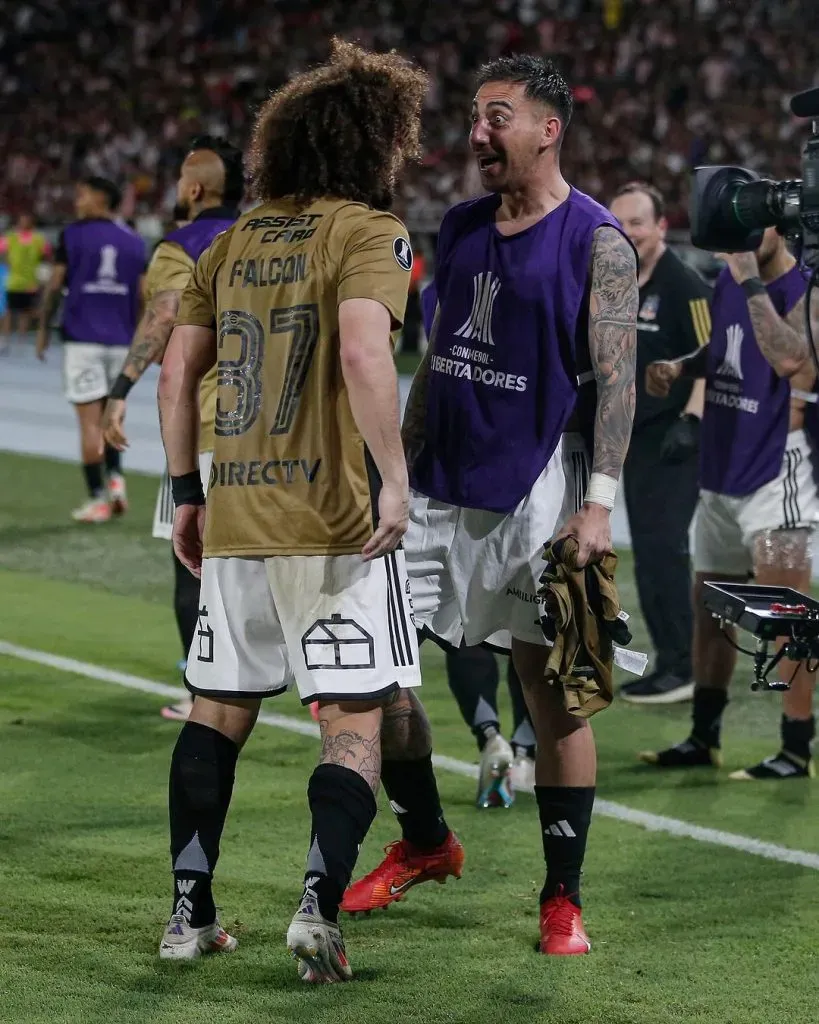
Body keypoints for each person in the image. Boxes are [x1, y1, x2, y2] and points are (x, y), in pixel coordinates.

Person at [156, 39, 461, 982]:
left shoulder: (231, 240)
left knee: (215, 713)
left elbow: (176, 373)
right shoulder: (370, 233)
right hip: (334, 523)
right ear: (373, 145)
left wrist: (186, 494)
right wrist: (395, 482)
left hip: (237, 511)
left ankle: (188, 914)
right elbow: (365, 355)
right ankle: (317, 907)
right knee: (354, 723)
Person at [343, 55, 638, 954]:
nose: (476, 133)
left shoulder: (596, 240)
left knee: (552, 698)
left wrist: (597, 506)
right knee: (375, 675)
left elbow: (617, 385)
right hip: (436, 484)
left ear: (549, 129)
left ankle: (561, 898)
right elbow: (435, 359)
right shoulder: (460, 223)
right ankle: (427, 841)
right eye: (474, 116)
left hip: (538, 489)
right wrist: (391, 472)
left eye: (496, 117)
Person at [640, 227, 819, 779]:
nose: (743, 236)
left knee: (787, 617)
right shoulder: (729, 281)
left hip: (776, 467)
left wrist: (748, 280)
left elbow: (792, 358)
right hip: (722, 464)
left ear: (780, 222)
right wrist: (682, 366)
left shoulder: (806, 287)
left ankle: (795, 749)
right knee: (712, 609)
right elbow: (724, 346)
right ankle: (704, 737)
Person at [102, 136, 244, 721]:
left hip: (205, 425)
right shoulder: (263, 236)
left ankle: (202, 693)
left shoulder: (180, 246)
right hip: (274, 431)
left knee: (194, 565)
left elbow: (164, 315)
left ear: (194, 189)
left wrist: (119, 390)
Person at [419, 279, 537, 806]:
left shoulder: (440, 289)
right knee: (529, 628)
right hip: (530, 474)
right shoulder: (541, 281)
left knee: (466, 623)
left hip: (456, 474)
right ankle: (525, 750)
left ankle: (490, 735)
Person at [608, 182, 712, 704]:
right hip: (638, 437)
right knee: (648, 551)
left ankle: (685, 666)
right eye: (619, 223)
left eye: (637, 223)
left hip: (677, 438)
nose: (628, 233)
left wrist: (691, 420)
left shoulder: (685, 285)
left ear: (661, 227)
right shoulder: (618, 283)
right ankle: (672, 660)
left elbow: (714, 357)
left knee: (664, 548)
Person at [37, 178, 146, 522]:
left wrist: (43, 329)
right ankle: (116, 483)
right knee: (113, 418)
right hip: (122, 343)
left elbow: (55, 285)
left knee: (90, 424)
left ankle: (97, 499)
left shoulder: (72, 235)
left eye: (82, 195)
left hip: (83, 340)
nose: (77, 201)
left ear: (101, 198)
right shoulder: (134, 240)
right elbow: (144, 296)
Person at [0, 213, 52, 349]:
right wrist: (7, 262)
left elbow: (47, 255)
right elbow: (2, 251)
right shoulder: (10, 237)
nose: (24, 223)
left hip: (30, 281)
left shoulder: (39, 239)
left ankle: (21, 340)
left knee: (25, 312)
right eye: (22, 220)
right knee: (8, 310)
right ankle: (5, 339)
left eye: (26, 220)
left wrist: (43, 273)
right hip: (13, 280)